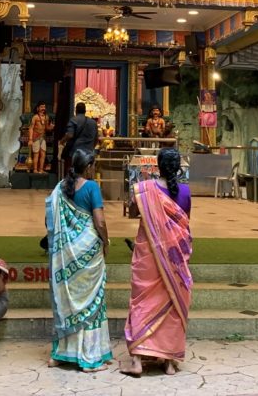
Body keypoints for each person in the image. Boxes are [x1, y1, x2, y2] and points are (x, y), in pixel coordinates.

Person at [120, 147, 192, 377]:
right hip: (174, 258)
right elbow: (184, 225)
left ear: (157, 166)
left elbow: (132, 213)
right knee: (171, 303)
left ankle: (138, 360)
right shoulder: (186, 192)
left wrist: (141, 196)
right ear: (178, 167)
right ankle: (169, 362)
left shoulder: (145, 190)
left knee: (142, 302)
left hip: (148, 257)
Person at [46, 148, 112, 372]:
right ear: (89, 166)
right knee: (92, 301)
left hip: (66, 253)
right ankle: (90, 355)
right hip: (89, 250)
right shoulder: (92, 187)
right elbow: (100, 221)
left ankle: (62, 353)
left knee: (68, 300)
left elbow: (50, 221)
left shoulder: (60, 187)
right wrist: (106, 241)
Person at [60, 102, 98, 176]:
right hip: (89, 153)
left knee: (75, 175)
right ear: (85, 110)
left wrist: (62, 141)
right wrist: (90, 147)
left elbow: (70, 135)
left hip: (76, 153)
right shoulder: (93, 122)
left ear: (76, 110)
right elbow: (96, 139)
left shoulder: (73, 120)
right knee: (88, 175)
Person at [29, 101, 54, 174]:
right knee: (36, 154)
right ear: (38, 108)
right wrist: (30, 139)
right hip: (35, 137)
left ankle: (41, 169)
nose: (43, 108)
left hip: (43, 137)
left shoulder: (46, 117)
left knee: (43, 154)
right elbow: (31, 128)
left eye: (44, 107)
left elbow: (47, 128)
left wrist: (51, 127)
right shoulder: (35, 117)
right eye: (41, 107)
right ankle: (35, 170)